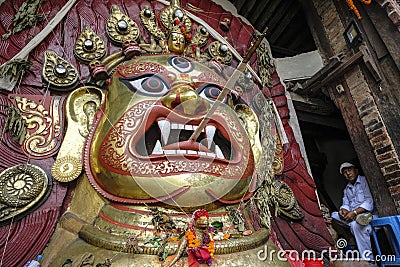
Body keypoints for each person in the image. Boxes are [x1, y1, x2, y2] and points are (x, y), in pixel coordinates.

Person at [331, 162, 376, 263]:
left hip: (369, 215)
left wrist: (354, 212)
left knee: (356, 225)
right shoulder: (347, 189)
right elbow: (345, 204)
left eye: (349, 170)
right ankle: (354, 222)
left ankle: (369, 261)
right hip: (353, 216)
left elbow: (369, 203)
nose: (348, 173)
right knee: (334, 216)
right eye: (345, 172)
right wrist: (343, 211)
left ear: (355, 170)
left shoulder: (364, 181)